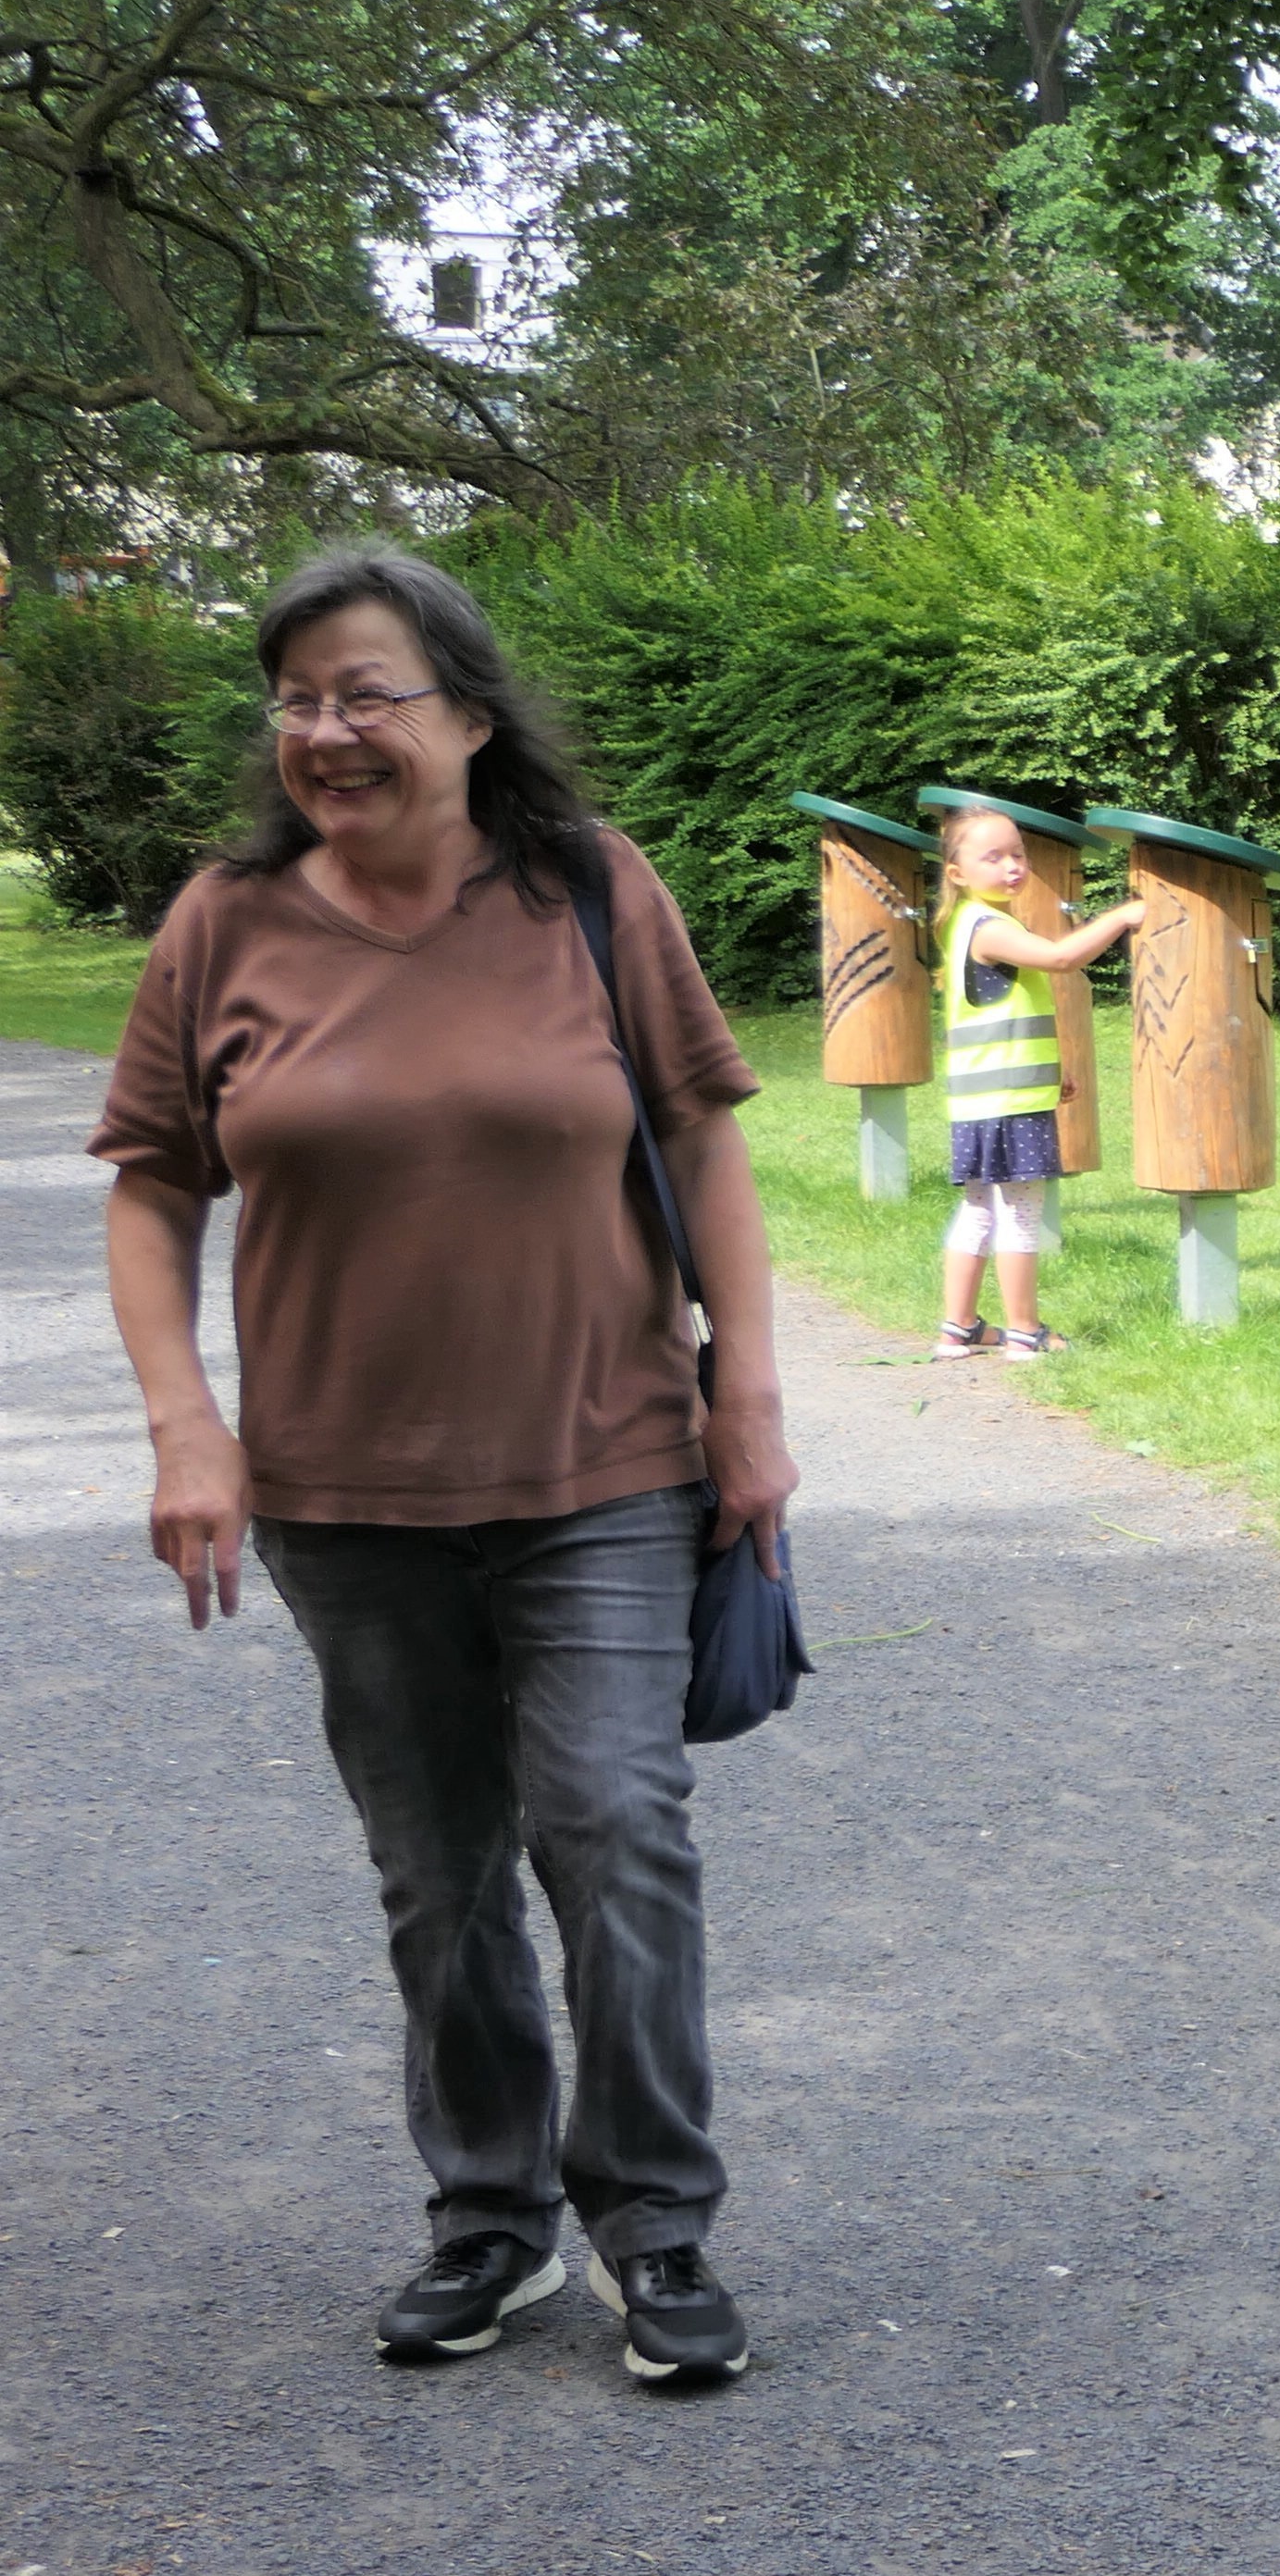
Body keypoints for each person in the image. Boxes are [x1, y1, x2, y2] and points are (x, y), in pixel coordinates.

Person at [91, 540, 797, 2386]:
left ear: (470, 717)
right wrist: (187, 1424)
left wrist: (755, 1398)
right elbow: (155, 1184)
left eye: (366, 693)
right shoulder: (223, 924)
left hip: (607, 1459)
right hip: (342, 1493)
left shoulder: (585, 891)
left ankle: (654, 2223)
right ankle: (492, 2215)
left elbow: (705, 1140)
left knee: (614, 1824)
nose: (324, 729)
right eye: (298, 697)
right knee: (442, 1868)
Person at [924, 801, 1144, 1362]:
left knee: (979, 1208)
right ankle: (1025, 1332)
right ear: (957, 873)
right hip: (1008, 1102)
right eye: (992, 857)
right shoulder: (990, 926)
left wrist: (1051, 1072)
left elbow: (1008, 1011)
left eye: (1017, 854)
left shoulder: (967, 923)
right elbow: (1061, 957)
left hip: (983, 1098)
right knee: (1021, 1211)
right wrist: (1122, 916)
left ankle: (960, 1327)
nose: (1012, 866)